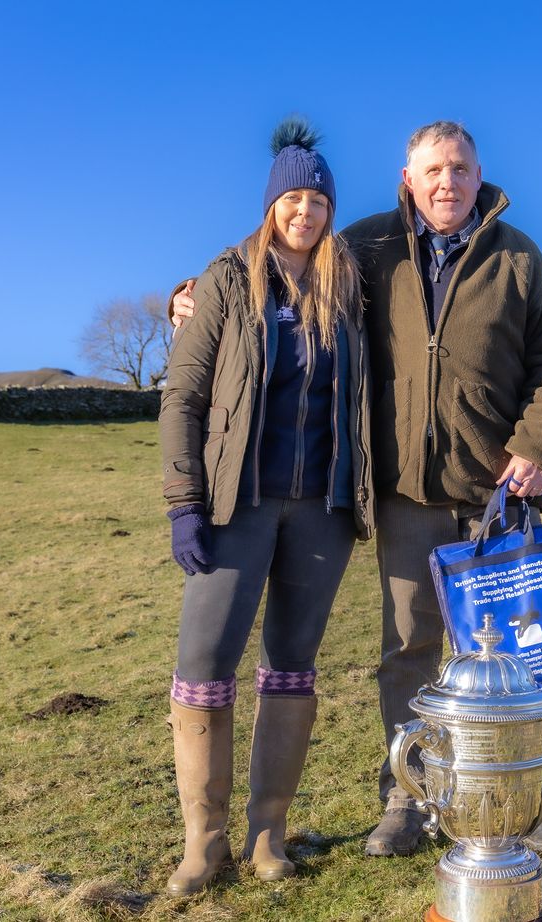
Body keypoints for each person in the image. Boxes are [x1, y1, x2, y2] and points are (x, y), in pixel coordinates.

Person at [169, 120, 542, 859]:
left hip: (497, 490)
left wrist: (537, 445)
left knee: (512, 656)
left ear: (479, 173)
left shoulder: (519, 257)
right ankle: (411, 798)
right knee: (409, 648)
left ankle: (515, 800)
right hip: (403, 488)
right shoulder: (365, 247)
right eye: (433, 170)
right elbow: (275, 267)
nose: (447, 182)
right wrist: (188, 298)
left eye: (459, 168)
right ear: (407, 177)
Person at [158, 117, 373, 895]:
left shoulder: (349, 283)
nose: (305, 212)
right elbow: (182, 394)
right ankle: (202, 843)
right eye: (293, 197)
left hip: (321, 508)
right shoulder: (224, 280)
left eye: (318, 199)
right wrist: (185, 499)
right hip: (233, 505)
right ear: (270, 202)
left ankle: (267, 836)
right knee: (205, 667)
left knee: (291, 670)